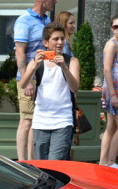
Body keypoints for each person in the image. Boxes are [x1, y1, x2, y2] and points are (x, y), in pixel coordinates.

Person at [21, 23, 80, 161]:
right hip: (41, 121)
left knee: (56, 163)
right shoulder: (37, 62)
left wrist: (64, 67)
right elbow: (23, 84)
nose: (60, 42)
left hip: (63, 121)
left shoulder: (71, 61)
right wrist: (34, 66)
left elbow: (75, 87)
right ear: (45, 42)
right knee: (42, 166)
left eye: (62, 38)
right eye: (55, 39)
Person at [12, 0, 57, 160]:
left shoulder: (46, 21)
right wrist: (27, 79)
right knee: (27, 120)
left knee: (35, 121)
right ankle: (23, 162)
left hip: (43, 78)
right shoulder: (24, 20)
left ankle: (33, 162)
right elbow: (19, 52)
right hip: (29, 77)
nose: (55, 1)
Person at [98, 13, 118, 170]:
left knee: (111, 127)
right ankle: (110, 162)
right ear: (111, 28)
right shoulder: (112, 44)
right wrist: (112, 95)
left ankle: (103, 162)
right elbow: (106, 69)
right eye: (115, 26)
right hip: (115, 90)